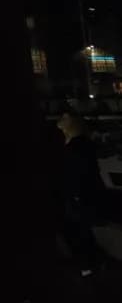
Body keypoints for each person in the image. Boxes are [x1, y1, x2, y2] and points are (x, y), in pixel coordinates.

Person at [56, 113, 106, 277]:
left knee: (79, 229)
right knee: (83, 229)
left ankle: (89, 263)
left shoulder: (72, 148)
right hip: (85, 193)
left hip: (78, 195)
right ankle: (94, 262)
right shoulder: (85, 145)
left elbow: (73, 173)